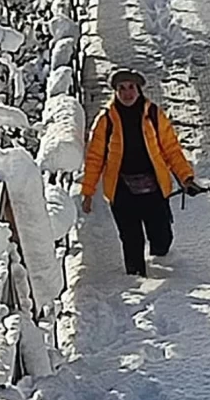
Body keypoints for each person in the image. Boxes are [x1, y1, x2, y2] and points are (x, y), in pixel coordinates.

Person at [81, 69, 203, 276]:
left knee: (161, 235)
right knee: (131, 237)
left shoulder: (154, 115)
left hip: (154, 185)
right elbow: (95, 158)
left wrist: (186, 177)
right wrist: (88, 192)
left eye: (131, 88)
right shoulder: (106, 121)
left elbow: (171, 149)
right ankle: (136, 277)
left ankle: (165, 264)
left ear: (139, 90)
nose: (127, 93)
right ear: (115, 92)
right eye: (122, 88)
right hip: (121, 189)